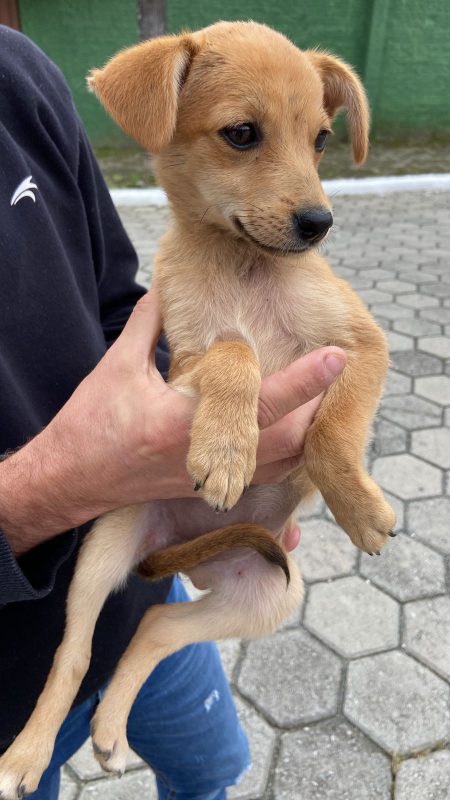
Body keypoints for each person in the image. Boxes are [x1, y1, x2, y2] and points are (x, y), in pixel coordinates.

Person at [0, 25, 346, 800]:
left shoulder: (16, 75)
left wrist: (227, 406)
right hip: (9, 674)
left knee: (214, 772)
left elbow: (123, 300)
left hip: (157, 584)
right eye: (243, 136)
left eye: (315, 144)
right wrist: (55, 487)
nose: (311, 194)